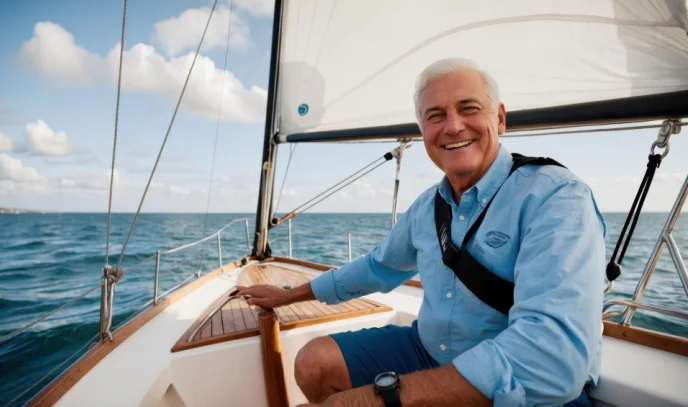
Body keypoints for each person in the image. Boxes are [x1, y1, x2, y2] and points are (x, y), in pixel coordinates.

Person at [236, 58, 606, 407]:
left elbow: (553, 358)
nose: (453, 126)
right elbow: (377, 267)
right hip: (427, 348)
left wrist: (378, 399)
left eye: (469, 108)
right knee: (313, 363)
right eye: (436, 116)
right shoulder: (428, 206)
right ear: (424, 132)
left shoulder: (555, 196)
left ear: (500, 119)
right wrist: (288, 296)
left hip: (515, 380)